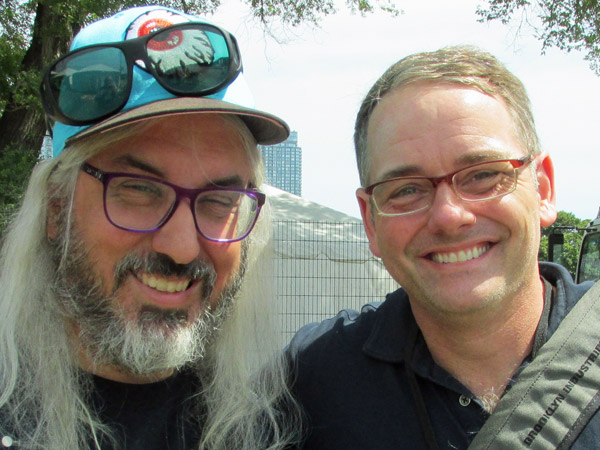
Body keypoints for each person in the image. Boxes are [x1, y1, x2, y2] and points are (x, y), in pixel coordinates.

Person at [0, 6, 300, 450]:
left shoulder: (273, 431)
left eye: (219, 201)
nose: (181, 248)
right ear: (56, 209)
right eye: (138, 190)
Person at [288, 45, 598, 449]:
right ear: (371, 221)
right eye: (407, 189)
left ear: (542, 188)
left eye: (483, 175)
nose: (449, 216)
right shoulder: (306, 383)